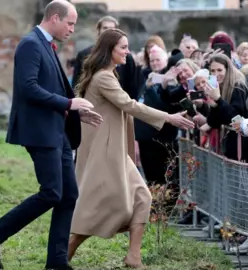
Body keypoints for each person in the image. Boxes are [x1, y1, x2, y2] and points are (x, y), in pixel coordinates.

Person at [0, 1, 102, 270]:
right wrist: (69, 104)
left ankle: (56, 262)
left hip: (58, 132)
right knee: (52, 193)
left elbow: (51, 88)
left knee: (68, 195)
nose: (72, 28)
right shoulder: (31, 44)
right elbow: (28, 88)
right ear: (54, 18)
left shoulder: (45, 44)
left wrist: (75, 111)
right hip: (41, 132)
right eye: (70, 22)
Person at [67, 28, 194, 268]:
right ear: (109, 50)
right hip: (105, 152)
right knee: (111, 207)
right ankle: (66, 251)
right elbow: (131, 105)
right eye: (123, 47)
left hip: (114, 151)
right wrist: (169, 117)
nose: (128, 51)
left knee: (142, 198)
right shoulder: (103, 77)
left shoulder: (108, 74)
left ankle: (133, 256)